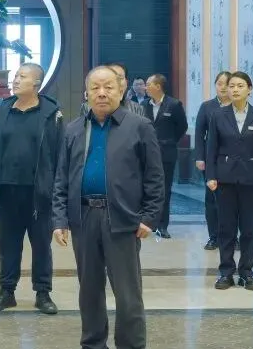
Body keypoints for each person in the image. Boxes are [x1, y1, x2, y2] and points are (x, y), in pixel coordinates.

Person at [52, 66, 165, 349]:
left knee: (127, 294)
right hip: (84, 218)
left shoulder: (139, 127)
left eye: (108, 87)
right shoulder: (74, 129)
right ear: (86, 92)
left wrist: (149, 217)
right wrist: (60, 219)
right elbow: (61, 177)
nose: (102, 93)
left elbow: (155, 177)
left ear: (121, 90)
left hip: (123, 221)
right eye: (95, 87)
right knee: (89, 290)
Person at [0, 63, 62, 315]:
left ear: (36, 84)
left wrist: (56, 190)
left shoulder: (51, 114)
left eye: (22, 76)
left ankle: (43, 293)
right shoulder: (4, 110)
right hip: (7, 190)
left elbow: (59, 154)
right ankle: (6, 292)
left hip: (39, 193)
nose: (16, 80)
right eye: (16, 76)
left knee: (41, 245)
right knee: (8, 243)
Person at [206, 71, 253, 291]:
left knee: (249, 228)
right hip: (224, 179)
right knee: (226, 228)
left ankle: (246, 273)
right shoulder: (218, 115)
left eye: (240, 86)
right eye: (232, 85)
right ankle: (226, 272)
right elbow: (211, 148)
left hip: (251, 179)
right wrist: (211, 175)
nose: (235, 89)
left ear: (249, 89)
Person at [145, 74, 188, 239]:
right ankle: (149, 222)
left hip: (166, 153)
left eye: (148, 84)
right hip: (146, 153)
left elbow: (182, 127)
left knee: (164, 189)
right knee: (147, 189)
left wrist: (170, 141)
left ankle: (162, 225)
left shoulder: (174, 105)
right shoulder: (144, 105)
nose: (146, 87)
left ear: (158, 86)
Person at [194, 71, 232, 250]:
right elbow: (199, 134)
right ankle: (214, 237)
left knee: (232, 200)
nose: (223, 87)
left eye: (227, 84)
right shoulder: (207, 107)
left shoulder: (238, 106)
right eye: (219, 83)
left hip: (234, 160)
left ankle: (232, 236)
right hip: (211, 160)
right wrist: (199, 157)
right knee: (212, 199)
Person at [78, 62, 145, 118]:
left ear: (126, 83)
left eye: (119, 78)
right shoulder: (87, 107)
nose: (116, 82)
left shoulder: (137, 109)